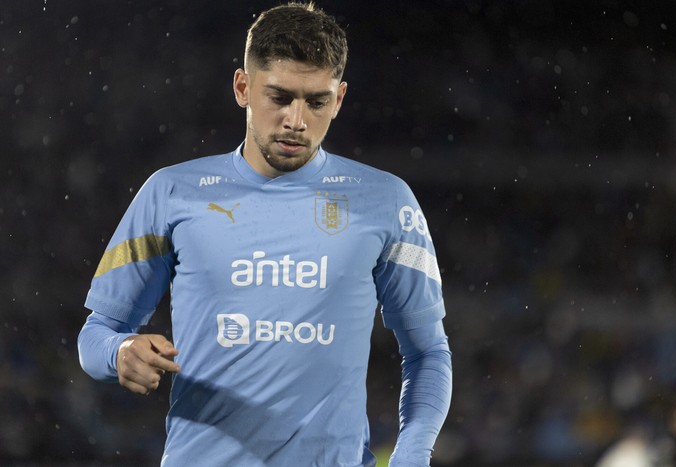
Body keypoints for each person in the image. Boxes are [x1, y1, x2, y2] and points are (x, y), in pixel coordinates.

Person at [77, 2, 452, 466]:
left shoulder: (388, 202)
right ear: (243, 87)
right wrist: (120, 352)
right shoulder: (170, 193)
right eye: (279, 97)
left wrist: (411, 455)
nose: (296, 120)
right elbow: (96, 336)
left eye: (316, 102)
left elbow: (428, 352)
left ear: (338, 100)